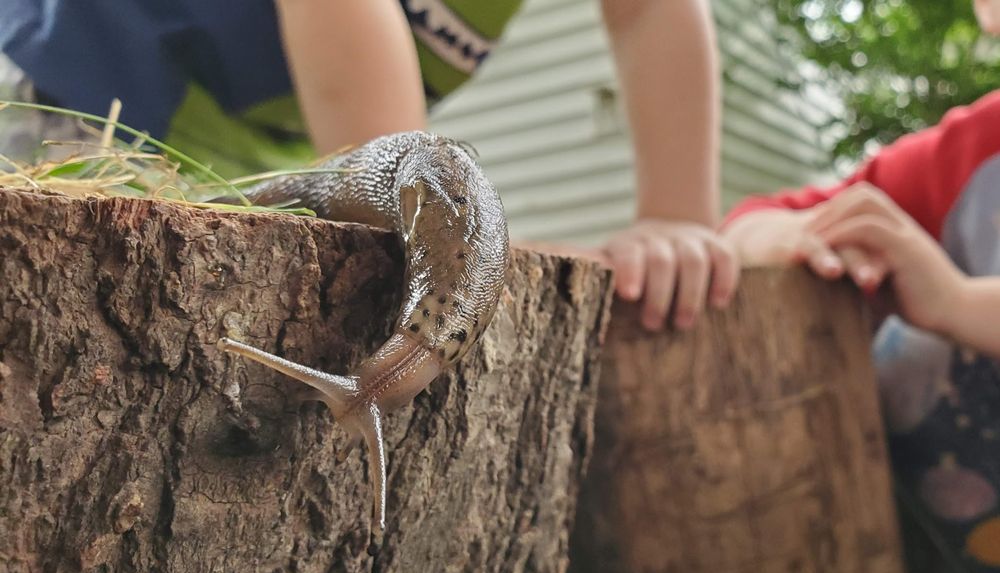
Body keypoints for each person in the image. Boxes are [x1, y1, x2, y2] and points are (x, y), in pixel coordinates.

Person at [0, 0, 738, 332]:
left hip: (268, 140)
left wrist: (677, 220)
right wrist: (441, 237)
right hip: (87, 94)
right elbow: (397, 180)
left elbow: (650, 12)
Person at [721, 0, 1000, 573]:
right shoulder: (967, 154)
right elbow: (752, 221)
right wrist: (807, 239)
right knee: (907, 352)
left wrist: (953, 300)